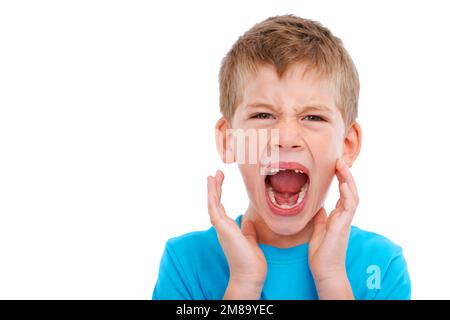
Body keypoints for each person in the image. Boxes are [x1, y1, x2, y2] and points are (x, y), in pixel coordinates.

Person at [152, 14, 411, 300]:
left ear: (347, 144)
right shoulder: (186, 262)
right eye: (263, 115)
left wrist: (332, 279)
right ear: (229, 141)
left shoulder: (382, 265)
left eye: (313, 117)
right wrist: (243, 284)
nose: (285, 138)